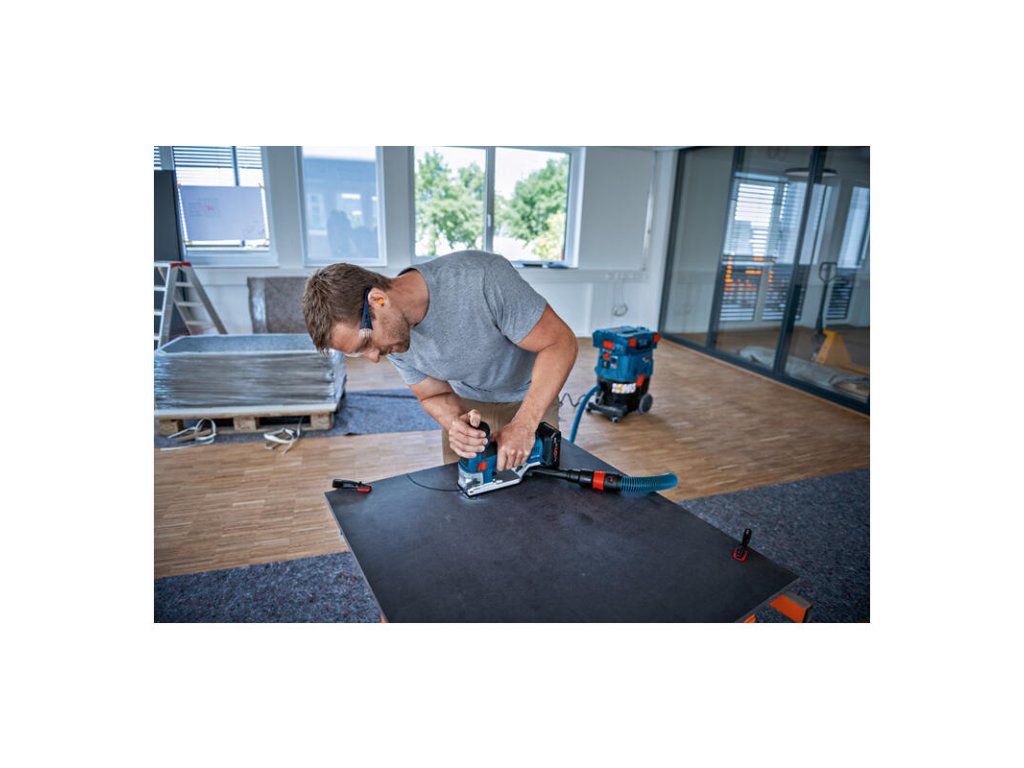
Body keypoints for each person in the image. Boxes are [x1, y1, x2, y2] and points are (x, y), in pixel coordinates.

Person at [302, 250, 577, 471]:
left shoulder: (482, 278)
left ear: (378, 300)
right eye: (358, 352)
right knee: (462, 509)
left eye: (366, 343)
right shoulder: (394, 336)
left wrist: (525, 424)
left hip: (531, 399)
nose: (373, 357)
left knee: (538, 504)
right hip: (470, 407)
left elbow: (560, 343)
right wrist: (456, 424)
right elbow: (432, 394)